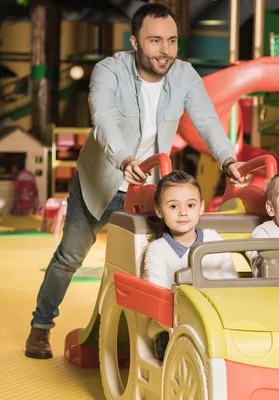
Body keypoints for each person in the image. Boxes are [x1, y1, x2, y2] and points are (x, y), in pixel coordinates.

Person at [25, 3, 250, 360]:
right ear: (134, 42)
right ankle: (40, 327)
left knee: (154, 261)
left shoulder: (185, 75)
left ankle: (156, 334)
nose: (165, 50)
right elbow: (104, 119)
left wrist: (227, 159)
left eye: (172, 41)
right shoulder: (108, 71)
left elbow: (206, 119)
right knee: (70, 257)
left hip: (149, 189)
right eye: (155, 41)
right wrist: (124, 158)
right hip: (100, 180)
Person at [143, 170, 237, 360]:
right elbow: (158, 297)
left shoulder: (212, 239)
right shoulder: (157, 250)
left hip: (215, 318)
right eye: (173, 206)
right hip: (172, 326)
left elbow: (229, 281)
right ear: (159, 211)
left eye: (190, 205)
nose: (183, 212)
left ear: (201, 207)